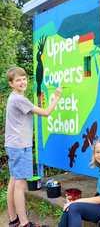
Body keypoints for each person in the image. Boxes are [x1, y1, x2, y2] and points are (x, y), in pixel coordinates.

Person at [5, 66, 61, 227]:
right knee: (20, 184)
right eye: (18, 80)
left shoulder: (14, 97)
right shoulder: (19, 99)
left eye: (24, 78)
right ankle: (24, 223)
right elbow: (46, 113)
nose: (22, 82)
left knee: (14, 180)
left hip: (14, 144)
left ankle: (13, 219)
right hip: (20, 146)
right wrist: (56, 98)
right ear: (11, 83)